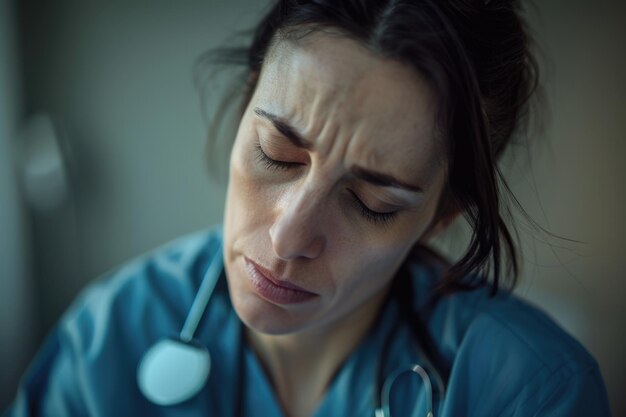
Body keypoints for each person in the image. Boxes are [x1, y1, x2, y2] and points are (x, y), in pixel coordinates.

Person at [4, 0, 611, 416]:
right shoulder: (107, 339)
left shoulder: (529, 391)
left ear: (442, 215)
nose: (289, 235)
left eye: (373, 203)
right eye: (277, 153)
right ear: (245, 108)